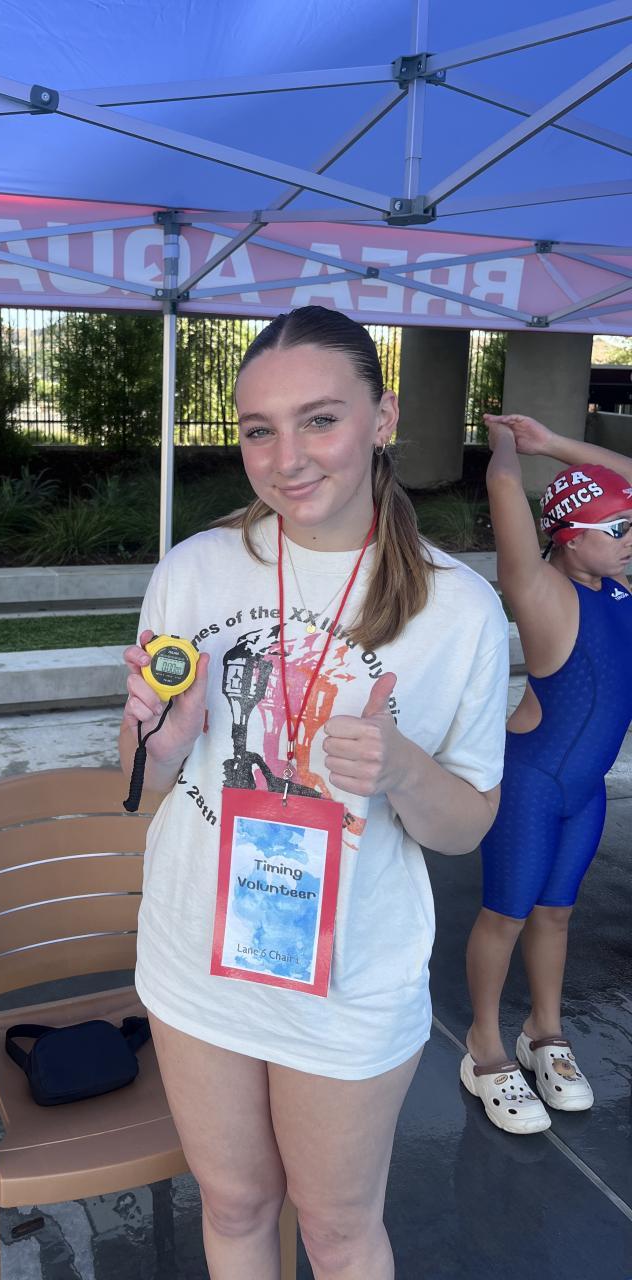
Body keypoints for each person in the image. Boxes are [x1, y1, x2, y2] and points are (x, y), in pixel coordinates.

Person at [120, 306, 509, 1280]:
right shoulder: (195, 570)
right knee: (234, 1203)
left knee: (336, 1234)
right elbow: (142, 781)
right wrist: (161, 739)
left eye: (320, 419)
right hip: (197, 954)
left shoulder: (458, 607)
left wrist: (405, 768)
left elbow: (467, 827)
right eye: (260, 429)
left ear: (384, 418)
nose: (286, 458)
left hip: (351, 975)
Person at [463, 413, 632, 1134]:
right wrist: (505, 439)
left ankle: (544, 1031)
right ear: (568, 536)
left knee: (557, 913)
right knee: (505, 915)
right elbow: (505, 488)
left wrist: (552, 443)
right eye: (617, 528)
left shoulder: (621, 590)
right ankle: (485, 1048)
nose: (630, 538)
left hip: (585, 792)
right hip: (531, 785)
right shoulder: (538, 590)